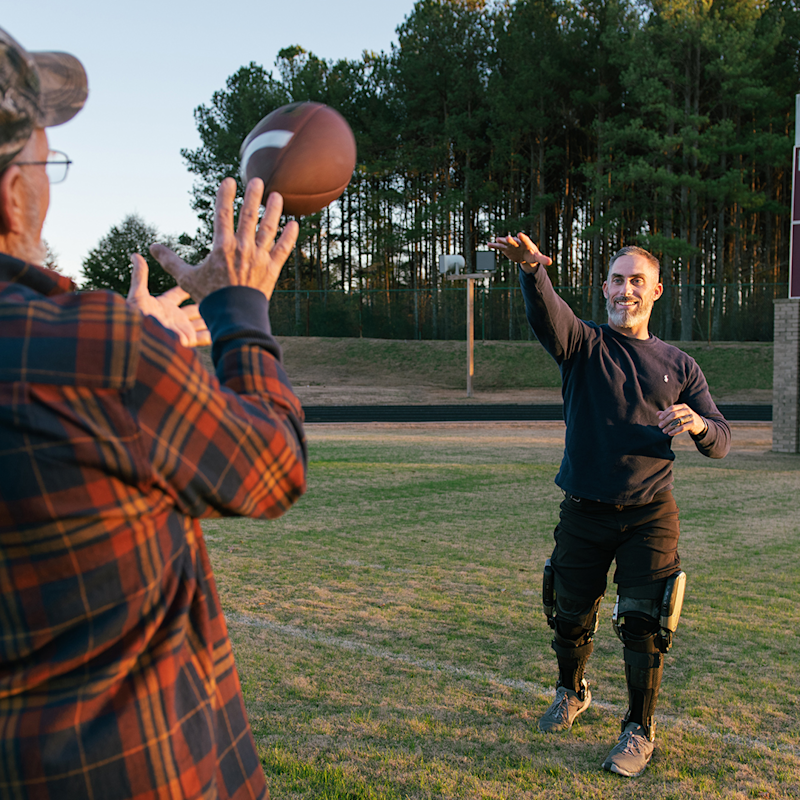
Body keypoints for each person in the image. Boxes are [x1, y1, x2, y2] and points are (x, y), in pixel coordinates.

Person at [0, 26, 306, 799]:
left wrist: (129, 350)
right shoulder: (96, 356)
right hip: (143, 772)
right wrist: (239, 309)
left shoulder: (92, 355)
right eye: (46, 162)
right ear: (11, 191)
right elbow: (271, 468)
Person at [487, 232, 730, 778]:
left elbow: (722, 437)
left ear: (657, 291)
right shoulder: (584, 345)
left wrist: (696, 424)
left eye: (636, 281)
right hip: (585, 507)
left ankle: (638, 730)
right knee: (568, 613)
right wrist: (532, 271)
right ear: (604, 289)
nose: (626, 290)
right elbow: (548, 316)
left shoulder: (680, 365)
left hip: (649, 511)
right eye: (617, 281)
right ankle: (571, 692)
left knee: (644, 623)